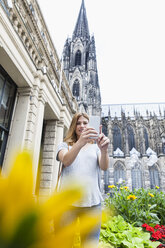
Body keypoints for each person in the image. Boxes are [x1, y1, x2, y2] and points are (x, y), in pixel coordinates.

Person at [56, 112, 109, 247]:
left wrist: (104, 150)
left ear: (90, 126)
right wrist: (80, 142)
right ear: (74, 127)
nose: (82, 126)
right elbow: (67, 160)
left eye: (85, 123)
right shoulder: (64, 146)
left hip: (92, 205)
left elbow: (104, 167)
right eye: (78, 123)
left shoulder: (95, 148)